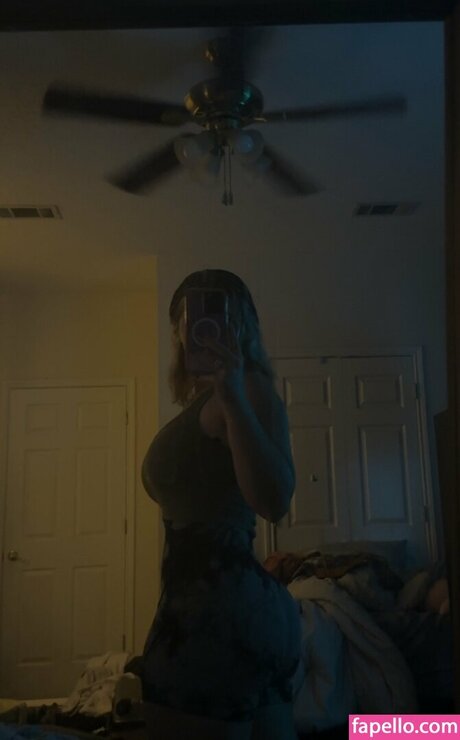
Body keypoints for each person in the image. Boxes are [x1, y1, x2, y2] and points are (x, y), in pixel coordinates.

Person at [141, 269, 301, 740]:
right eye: (191, 317)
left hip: (211, 620)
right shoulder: (212, 400)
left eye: (217, 312)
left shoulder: (244, 389)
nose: (204, 326)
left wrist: (232, 398)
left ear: (241, 323)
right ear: (179, 332)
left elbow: (274, 500)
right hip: (237, 614)